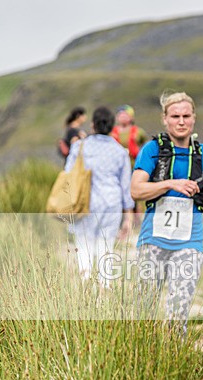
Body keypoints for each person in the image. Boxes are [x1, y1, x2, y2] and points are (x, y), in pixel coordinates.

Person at [131, 91, 203, 331]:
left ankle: (173, 362)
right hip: (153, 240)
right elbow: (136, 190)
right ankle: (143, 363)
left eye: (186, 115)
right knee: (144, 310)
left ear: (194, 118)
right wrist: (170, 184)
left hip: (189, 243)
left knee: (178, 311)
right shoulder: (152, 149)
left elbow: (202, 188)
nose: (181, 121)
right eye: (175, 116)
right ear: (165, 119)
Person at [65, 106, 134, 286]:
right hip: (112, 203)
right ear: (112, 126)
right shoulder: (120, 151)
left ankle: (85, 288)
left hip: (85, 203)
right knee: (106, 248)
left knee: (84, 246)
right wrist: (128, 217)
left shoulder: (80, 147)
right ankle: (104, 291)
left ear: (93, 125)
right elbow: (126, 186)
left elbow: (68, 173)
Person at [112, 105, 149, 223]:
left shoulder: (138, 132)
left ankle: (137, 219)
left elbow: (146, 145)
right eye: (120, 115)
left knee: (134, 193)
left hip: (133, 167)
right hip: (116, 168)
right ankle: (121, 219)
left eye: (125, 115)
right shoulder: (112, 132)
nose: (122, 117)